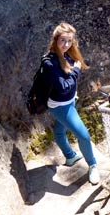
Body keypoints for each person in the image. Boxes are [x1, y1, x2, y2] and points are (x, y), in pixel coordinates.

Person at [42, 22, 99, 185]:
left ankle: (70, 156)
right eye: (63, 41)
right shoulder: (50, 62)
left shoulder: (66, 55)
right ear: (55, 40)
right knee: (84, 136)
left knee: (60, 132)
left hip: (67, 102)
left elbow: (67, 84)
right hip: (61, 106)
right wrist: (76, 70)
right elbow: (62, 87)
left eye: (69, 41)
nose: (66, 45)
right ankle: (93, 164)